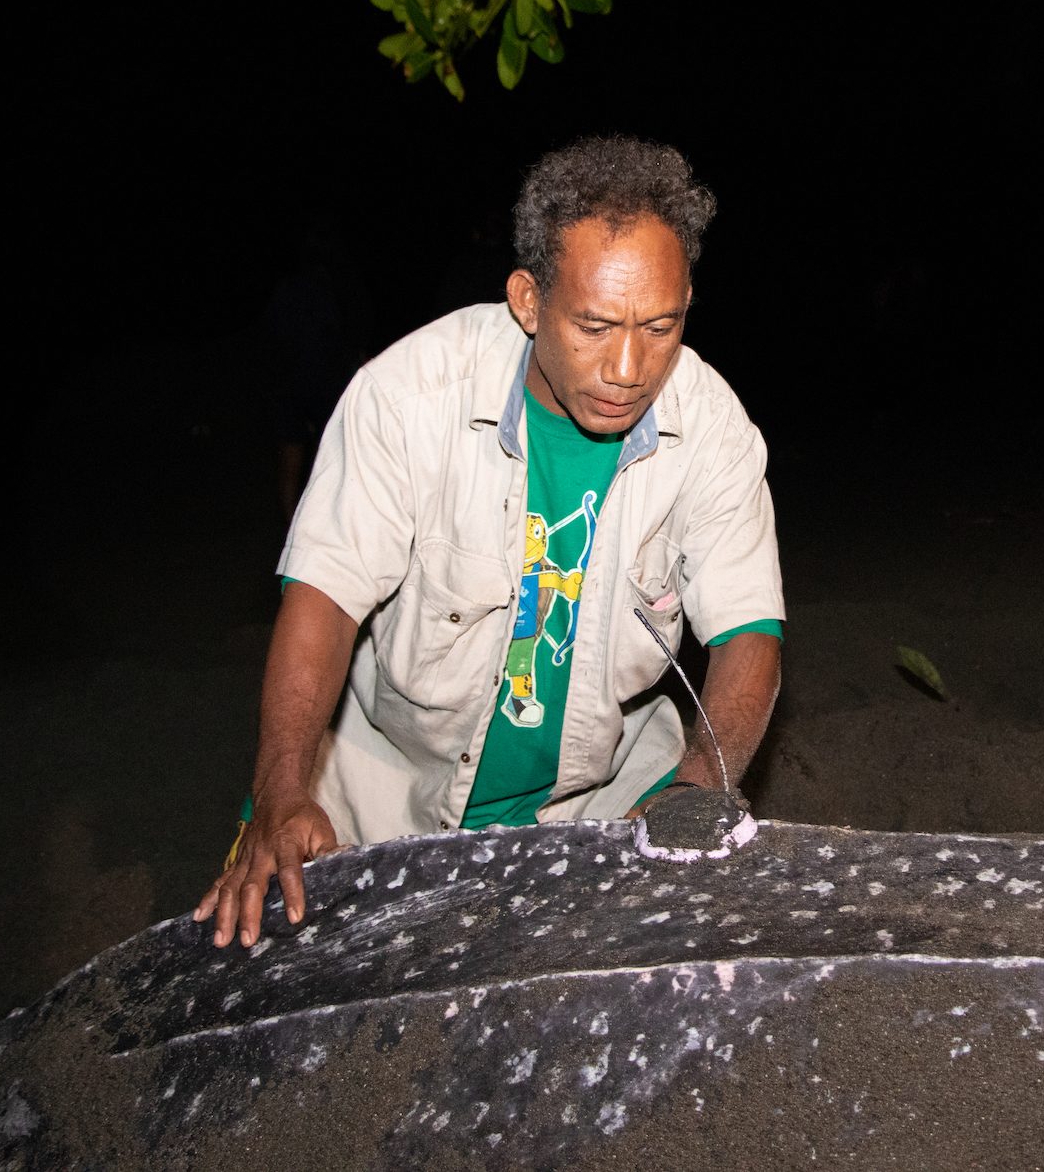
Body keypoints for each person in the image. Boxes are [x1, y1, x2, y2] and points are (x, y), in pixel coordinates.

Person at [195, 137, 786, 949]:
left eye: (661, 325)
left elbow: (750, 633)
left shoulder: (712, 427)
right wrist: (282, 790)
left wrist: (696, 787)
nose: (628, 365)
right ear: (527, 299)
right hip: (384, 793)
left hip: (604, 797)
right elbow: (322, 601)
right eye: (594, 325)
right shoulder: (406, 397)